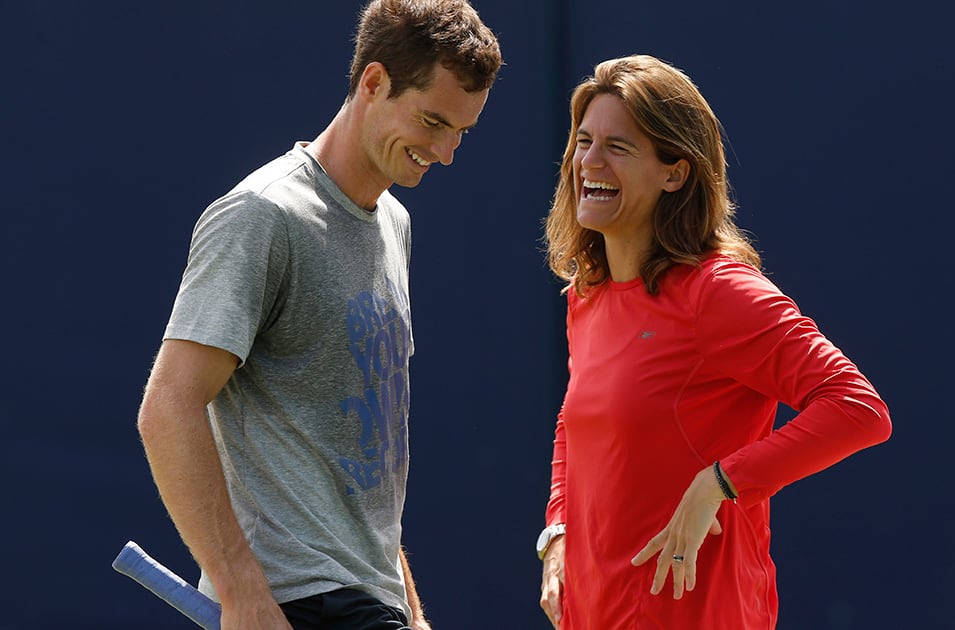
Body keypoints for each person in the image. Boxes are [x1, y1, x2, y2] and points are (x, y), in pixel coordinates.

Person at [135, 2, 501, 628]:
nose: (444, 153)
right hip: (296, 603)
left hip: (368, 602)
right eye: (433, 122)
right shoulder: (261, 216)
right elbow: (168, 406)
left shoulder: (395, 224)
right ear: (374, 82)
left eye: (461, 132)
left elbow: (360, 461)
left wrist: (410, 609)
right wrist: (242, 591)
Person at [536, 55, 891, 629]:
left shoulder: (718, 292)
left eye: (617, 148)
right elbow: (574, 425)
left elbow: (858, 408)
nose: (588, 163)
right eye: (583, 141)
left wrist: (721, 483)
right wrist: (558, 532)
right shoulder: (587, 295)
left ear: (675, 172)